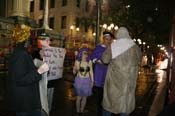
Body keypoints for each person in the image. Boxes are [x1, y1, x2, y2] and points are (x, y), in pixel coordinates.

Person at [6, 24, 49, 116]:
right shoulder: (21, 54)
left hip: (26, 101)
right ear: (25, 39)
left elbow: (23, 71)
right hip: (26, 103)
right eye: (30, 37)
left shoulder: (21, 51)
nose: (31, 40)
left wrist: (39, 61)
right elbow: (20, 80)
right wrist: (39, 71)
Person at [101, 27, 142, 116]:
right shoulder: (135, 47)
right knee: (125, 106)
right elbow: (139, 60)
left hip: (114, 83)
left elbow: (104, 60)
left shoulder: (114, 46)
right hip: (129, 83)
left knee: (109, 105)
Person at [91, 31, 113, 116]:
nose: (108, 41)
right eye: (107, 39)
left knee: (107, 97)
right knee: (99, 97)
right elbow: (92, 58)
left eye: (109, 39)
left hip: (108, 75)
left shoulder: (111, 49)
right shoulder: (98, 48)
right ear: (103, 39)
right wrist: (98, 61)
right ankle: (99, 112)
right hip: (99, 75)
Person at [73, 47, 94, 115]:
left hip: (87, 81)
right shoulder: (77, 61)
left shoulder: (89, 61)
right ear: (81, 53)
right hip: (79, 80)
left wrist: (92, 81)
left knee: (85, 97)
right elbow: (74, 72)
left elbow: (91, 71)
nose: (86, 55)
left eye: (86, 53)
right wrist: (75, 69)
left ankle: (81, 111)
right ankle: (77, 111)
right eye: (84, 53)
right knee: (79, 97)